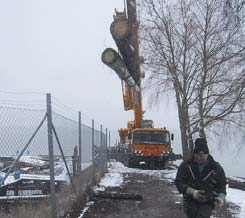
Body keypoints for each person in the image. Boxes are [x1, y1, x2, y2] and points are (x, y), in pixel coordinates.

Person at [175, 138, 227, 218]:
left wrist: (221, 197)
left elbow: (222, 185)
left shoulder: (216, 168)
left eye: (202, 156)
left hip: (207, 202)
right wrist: (192, 192)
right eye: (196, 155)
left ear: (207, 155)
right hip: (190, 201)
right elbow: (179, 182)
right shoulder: (186, 165)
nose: (199, 158)